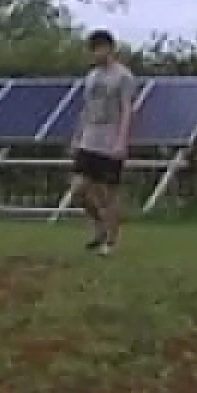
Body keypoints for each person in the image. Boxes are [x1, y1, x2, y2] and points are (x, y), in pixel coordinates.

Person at [70, 30, 136, 255]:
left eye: (98, 49)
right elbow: (85, 109)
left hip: (110, 139)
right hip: (89, 138)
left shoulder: (123, 77)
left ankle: (111, 240)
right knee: (78, 189)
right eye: (92, 50)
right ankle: (99, 226)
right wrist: (77, 136)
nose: (95, 54)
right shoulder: (91, 77)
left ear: (109, 49)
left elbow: (127, 109)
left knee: (110, 193)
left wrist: (121, 141)